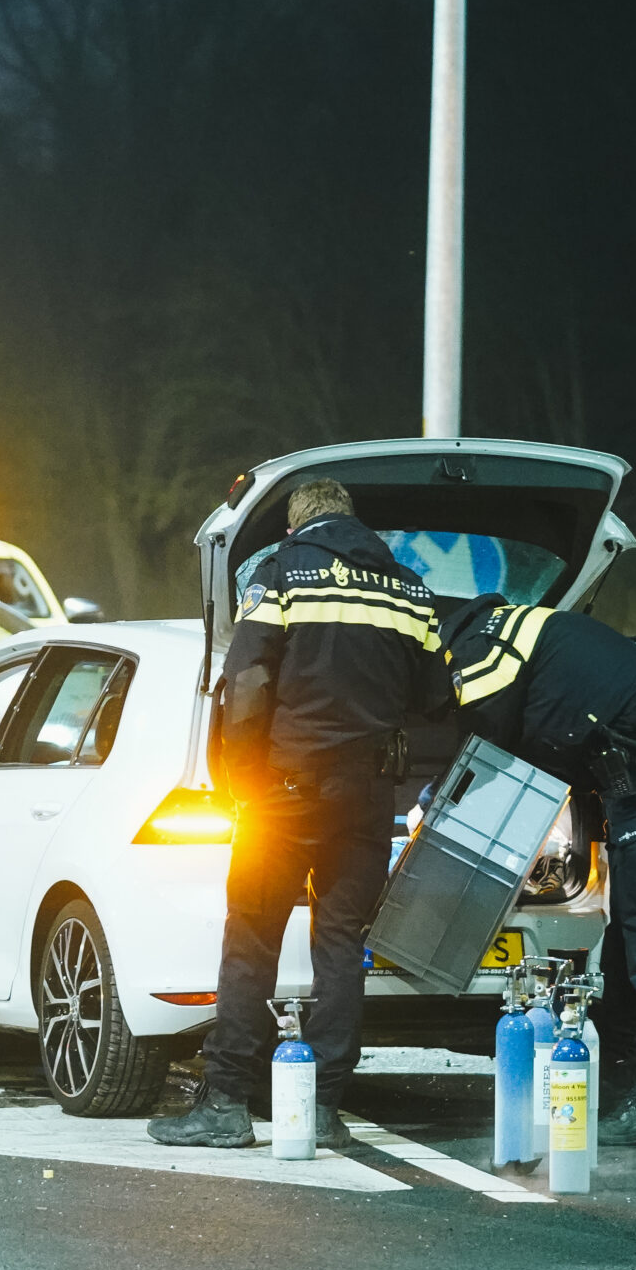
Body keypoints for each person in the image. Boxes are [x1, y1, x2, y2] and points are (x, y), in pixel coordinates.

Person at [150, 477, 453, 1150]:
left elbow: (250, 678)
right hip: (369, 796)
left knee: (252, 936)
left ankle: (226, 1100)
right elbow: (436, 695)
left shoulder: (280, 574)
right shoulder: (408, 588)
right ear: (350, 519)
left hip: (283, 792)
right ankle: (321, 1106)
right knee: (341, 945)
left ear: (296, 526)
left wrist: (242, 779)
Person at [439, 594, 636, 1145]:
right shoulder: (512, 630)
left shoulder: (482, 642)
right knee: (631, 924)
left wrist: (438, 797)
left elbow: (487, 738)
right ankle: (624, 1081)